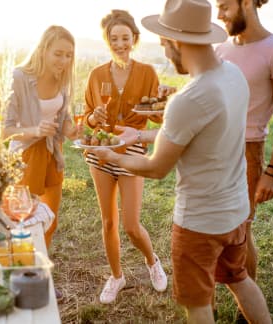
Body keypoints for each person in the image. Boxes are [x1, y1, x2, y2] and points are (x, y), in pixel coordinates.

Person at [88, 0, 272, 322]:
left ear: (175, 41)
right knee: (240, 279)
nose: (164, 50)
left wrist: (111, 154)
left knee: (198, 304)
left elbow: (157, 167)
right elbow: (200, 135)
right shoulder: (234, 76)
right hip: (236, 211)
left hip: (199, 223)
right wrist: (140, 136)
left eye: (163, 42)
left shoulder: (189, 98)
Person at [83, 9, 168, 304]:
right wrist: (93, 118)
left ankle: (152, 261)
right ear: (107, 40)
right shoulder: (96, 75)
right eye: (114, 38)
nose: (120, 43)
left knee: (131, 224)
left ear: (134, 39)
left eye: (125, 37)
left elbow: (158, 117)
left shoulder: (147, 72)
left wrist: (162, 105)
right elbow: (86, 121)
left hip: (132, 148)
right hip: (101, 151)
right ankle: (117, 277)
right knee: (108, 222)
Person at [215, 0, 273, 288]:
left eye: (224, 6)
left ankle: (247, 312)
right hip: (213, 149)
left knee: (241, 234)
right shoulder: (220, 49)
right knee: (209, 231)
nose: (219, 14)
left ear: (247, 3)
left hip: (248, 152)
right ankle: (206, 309)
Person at [2, 25, 81, 250]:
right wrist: (35, 130)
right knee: (23, 224)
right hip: (25, 157)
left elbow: (62, 117)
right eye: (58, 54)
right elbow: (4, 131)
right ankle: (20, 275)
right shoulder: (19, 77)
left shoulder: (63, 79)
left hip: (53, 153)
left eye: (69, 55)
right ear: (43, 50)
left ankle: (41, 274)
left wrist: (70, 130)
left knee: (50, 222)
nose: (64, 61)